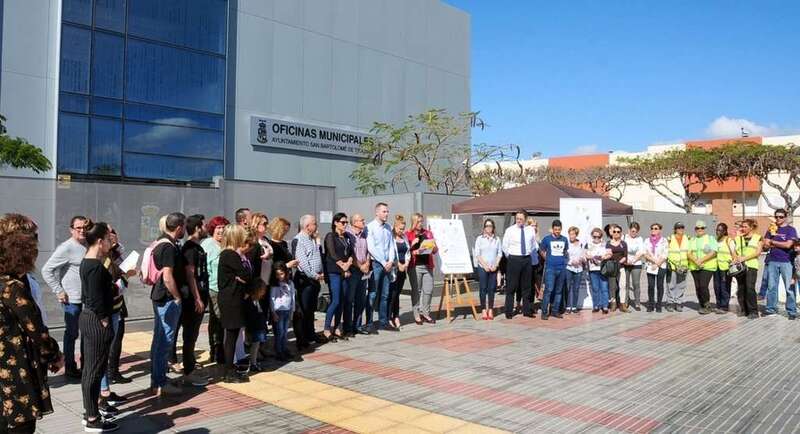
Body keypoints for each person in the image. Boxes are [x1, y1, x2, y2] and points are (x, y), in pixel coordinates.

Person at [0, 214, 63, 434]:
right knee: (19, 427)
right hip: (14, 374)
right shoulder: (12, 287)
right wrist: (55, 355)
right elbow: (37, 332)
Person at [78, 221, 120, 432]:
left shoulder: (87, 262)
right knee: (93, 372)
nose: (111, 243)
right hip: (95, 320)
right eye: (108, 239)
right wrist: (104, 320)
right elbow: (95, 298)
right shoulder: (94, 266)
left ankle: (91, 412)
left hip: (89, 317)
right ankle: (92, 418)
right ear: (100, 241)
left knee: (91, 371)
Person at [42, 215, 88, 380]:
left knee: (86, 334)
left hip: (87, 299)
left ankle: (86, 366)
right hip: (72, 300)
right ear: (71, 230)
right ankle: (70, 367)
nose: (82, 231)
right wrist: (58, 290)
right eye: (78, 228)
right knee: (72, 334)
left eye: (84, 227)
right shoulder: (67, 247)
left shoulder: (88, 244)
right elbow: (46, 270)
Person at [149, 212, 187, 396]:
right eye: (184, 226)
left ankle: (157, 379)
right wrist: (177, 296)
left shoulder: (160, 242)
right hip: (167, 298)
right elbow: (167, 276)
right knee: (164, 342)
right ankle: (160, 383)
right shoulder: (169, 247)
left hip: (160, 297)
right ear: (179, 227)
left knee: (159, 340)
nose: (185, 229)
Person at [174, 215, 210, 386]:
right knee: (190, 335)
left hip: (198, 296)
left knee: (192, 335)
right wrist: (197, 298)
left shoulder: (197, 247)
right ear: (197, 228)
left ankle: (190, 366)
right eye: (204, 225)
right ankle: (188, 372)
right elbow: (190, 274)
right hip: (191, 299)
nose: (206, 228)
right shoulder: (190, 249)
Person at [218, 224, 253, 383]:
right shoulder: (230, 254)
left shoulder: (229, 254)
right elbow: (246, 275)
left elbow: (243, 276)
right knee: (231, 336)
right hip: (231, 299)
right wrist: (240, 277)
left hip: (232, 298)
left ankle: (230, 369)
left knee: (233, 334)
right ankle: (228, 371)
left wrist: (240, 278)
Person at [293, 215, 326, 348]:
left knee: (311, 310)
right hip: (305, 280)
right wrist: (314, 275)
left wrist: (320, 273)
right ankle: (302, 338)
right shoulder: (299, 240)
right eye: (314, 223)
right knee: (304, 310)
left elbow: (317, 255)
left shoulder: (311, 239)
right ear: (307, 226)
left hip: (315, 279)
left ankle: (311, 333)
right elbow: (303, 262)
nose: (316, 226)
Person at [201, 216, 230, 364]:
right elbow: (203, 267)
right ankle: (216, 349)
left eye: (224, 227)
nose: (221, 230)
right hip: (213, 288)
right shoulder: (207, 244)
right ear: (213, 229)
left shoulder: (228, 243)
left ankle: (221, 348)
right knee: (218, 318)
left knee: (222, 318)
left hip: (227, 288)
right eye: (218, 227)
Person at [105, 228, 133, 385]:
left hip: (118, 302)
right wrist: (126, 276)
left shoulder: (114, 252)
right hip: (110, 304)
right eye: (108, 234)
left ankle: (113, 371)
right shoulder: (103, 258)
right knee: (112, 340)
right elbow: (114, 281)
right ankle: (109, 374)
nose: (112, 236)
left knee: (118, 337)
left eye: (113, 232)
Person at [323, 213, 355, 341]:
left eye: (346, 222)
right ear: (335, 223)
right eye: (343, 222)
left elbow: (351, 252)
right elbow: (332, 254)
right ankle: (326, 328)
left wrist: (349, 263)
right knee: (335, 300)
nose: (345, 224)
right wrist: (343, 266)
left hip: (345, 272)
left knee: (342, 301)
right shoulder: (330, 236)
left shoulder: (346, 237)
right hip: (334, 271)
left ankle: (337, 327)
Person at [367, 203, 398, 331]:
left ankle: (383, 322)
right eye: (384, 211)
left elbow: (391, 245)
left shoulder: (388, 227)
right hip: (376, 264)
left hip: (387, 265)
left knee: (385, 294)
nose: (387, 214)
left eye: (387, 211)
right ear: (377, 212)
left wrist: (390, 261)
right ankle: (369, 323)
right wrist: (383, 262)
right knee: (373, 294)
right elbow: (371, 247)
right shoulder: (370, 227)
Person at [502, 210, 538, 319]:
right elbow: (505, 246)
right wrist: (511, 257)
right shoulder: (510, 230)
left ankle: (527, 310)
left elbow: (533, 245)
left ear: (525, 219)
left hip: (526, 259)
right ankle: (508, 311)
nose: (518, 221)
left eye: (521, 219)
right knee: (511, 287)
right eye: (517, 218)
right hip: (514, 259)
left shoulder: (530, 230)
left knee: (527, 286)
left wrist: (528, 253)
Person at [763, 209, 797, 318]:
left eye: (781, 217)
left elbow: (788, 245)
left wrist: (773, 242)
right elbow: (765, 244)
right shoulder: (771, 229)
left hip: (786, 261)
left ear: (785, 217)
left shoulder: (790, 230)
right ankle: (771, 309)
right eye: (776, 216)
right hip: (772, 261)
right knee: (771, 286)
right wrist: (771, 243)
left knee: (789, 287)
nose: (778, 219)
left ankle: (792, 311)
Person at [406, 212, 438, 324]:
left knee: (428, 290)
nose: (420, 223)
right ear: (413, 222)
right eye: (418, 221)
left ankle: (426, 314)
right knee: (416, 291)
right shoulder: (408, 234)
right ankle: (416, 315)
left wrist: (433, 246)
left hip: (428, 265)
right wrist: (413, 249)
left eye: (421, 221)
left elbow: (435, 251)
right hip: (415, 266)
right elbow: (404, 252)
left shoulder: (428, 233)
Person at [733, 219, 764, 319]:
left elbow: (758, 252)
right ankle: (744, 309)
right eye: (742, 226)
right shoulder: (738, 238)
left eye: (745, 226)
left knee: (750, 288)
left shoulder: (758, 238)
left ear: (751, 227)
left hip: (751, 266)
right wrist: (736, 258)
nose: (743, 228)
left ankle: (753, 311)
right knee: (741, 288)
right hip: (740, 267)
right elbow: (734, 251)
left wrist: (744, 258)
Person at [346, 214, 371, 335]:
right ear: (355, 222)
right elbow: (351, 254)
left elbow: (368, 251)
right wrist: (360, 266)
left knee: (361, 299)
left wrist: (367, 263)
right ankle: (348, 327)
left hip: (364, 270)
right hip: (354, 270)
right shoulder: (348, 235)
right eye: (362, 220)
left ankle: (358, 325)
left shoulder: (364, 234)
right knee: (350, 300)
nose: (364, 222)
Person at [539, 220, 569, 320]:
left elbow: (565, 251)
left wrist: (564, 261)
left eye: (559, 229)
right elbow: (541, 250)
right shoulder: (546, 239)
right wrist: (547, 258)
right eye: (555, 229)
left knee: (559, 291)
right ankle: (544, 312)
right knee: (549, 290)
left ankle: (555, 311)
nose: (557, 231)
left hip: (561, 268)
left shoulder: (564, 239)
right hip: (550, 269)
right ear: (552, 229)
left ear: (561, 229)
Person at [473, 218, 502, 320]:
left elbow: (499, 253)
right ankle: (483, 309)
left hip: (493, 267)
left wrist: (496, 265)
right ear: (484, 228)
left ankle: (490, 309)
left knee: (492, 289)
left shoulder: (497, 239)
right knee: (483, 288)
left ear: (493, 228)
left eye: (490, 226)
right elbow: (477, 254)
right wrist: (485, 265)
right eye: (487, 226)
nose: (488, 228)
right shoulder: (479, 239)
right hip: (482, 267)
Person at [688, 220, 718, 315]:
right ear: (695, 229)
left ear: (705, 229)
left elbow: (714, 252)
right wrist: (696, 261)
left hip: (707, 266)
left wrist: (701, 260)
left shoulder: (710, 238)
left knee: (703, 286)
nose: (699, 229)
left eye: (702, 228)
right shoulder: (692, 240)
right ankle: (701, 305)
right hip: (695, 266)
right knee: (698, 287)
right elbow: (689, 253)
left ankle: (707, 305)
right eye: (697, 228)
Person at [270, 261, 297, 362]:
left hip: (287, 310)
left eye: (281, 274)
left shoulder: (290, 283)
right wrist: (273, 312)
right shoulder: (275, 285)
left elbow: (292, 297)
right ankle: (279, 351)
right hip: (278, 311)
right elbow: (272, 299)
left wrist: (292, 311)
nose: (279, 276)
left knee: (285, 332)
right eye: (277, 274)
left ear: (286, 272)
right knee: (279, 332)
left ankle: (284, 349)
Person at [389, 215, 411, 328]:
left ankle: (396, 316)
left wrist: (406, 264)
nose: (402, 231)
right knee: (392, 294)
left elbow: (408, 252)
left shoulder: (404, 237)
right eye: (400, 229)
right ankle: (388, 316)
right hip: (394, 268)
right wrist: (398, 265)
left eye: (403, 229)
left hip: (403, 269)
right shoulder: (391, 237)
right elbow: (390, 253)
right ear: (395, 226)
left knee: (397, 293)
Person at [243, 278, 269, 372]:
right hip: (254, 327)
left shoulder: (258, 300)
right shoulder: (249, 300)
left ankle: (254, 361)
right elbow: (251, 315)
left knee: (256, 345)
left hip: (258, 326)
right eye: (262, 290)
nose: (264, 292)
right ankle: (253, 364)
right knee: (254, 346)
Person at [643, 223, 668, 312]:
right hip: (650, 266)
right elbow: (645, 253)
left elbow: (665, 254)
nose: (653, 230)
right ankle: (651, 304)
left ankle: (659, 304)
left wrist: (657, 264)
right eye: (652, 228)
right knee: (651, 286)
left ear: (660, 230)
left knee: (660, 285)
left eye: (656, 228)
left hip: (661, 266)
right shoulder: (647, 240)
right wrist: (653, 261)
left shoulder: (664, 240)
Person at [665, 222, 690, 312]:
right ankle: (670, 303)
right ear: (675, 229)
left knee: (681, 285)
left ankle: (679, 303)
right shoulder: (669, 239)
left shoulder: (687, 238)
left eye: (682, 227)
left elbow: (690, 252)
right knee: (671, 285)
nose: (680, 229)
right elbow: (666, 251)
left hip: (683, 266)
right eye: (678, 228)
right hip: (672, 266)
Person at [713, 223, 735, 314]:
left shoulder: (729, 241)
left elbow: (734, 254)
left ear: (725, 231)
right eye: (717, 230)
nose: (718, 232)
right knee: (717, 287)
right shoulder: (716, 240)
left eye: (720, 230)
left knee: (724, 287)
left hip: (726, 268)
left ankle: (724, 306)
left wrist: (732, 263)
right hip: (716, 267)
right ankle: (718, 305)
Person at [586, 228, 609, 313]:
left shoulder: (605, 244)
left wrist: (604, 257)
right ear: (592, 236)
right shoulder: (588, 244)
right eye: (594, 236)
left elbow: (609, 254)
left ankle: (605, 306)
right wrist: (592, 257)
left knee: (604, 288)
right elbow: (585, 254)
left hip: (603, 269)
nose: (596, 238)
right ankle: (596, 305)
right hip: (593, 269)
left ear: (601, 236)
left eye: (598, 237)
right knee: (595, 288)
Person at [623, 222, 645, 311]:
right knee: (626, 284)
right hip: (626, 263)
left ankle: (637, 303)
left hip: (636, 264)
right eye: (632, 231)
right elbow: (622, 250)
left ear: (638, 231)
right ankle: (625, 302)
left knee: (636, 284)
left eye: (635, 231)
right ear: (629, 230)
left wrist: (633, 260)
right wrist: (626, 261)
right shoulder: (624, 238)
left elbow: (641, 252)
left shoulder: (640, 239)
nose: (633, 233)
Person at [565, 226, 585, 313]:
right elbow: (564, 256)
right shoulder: (566, 244)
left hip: (578, 268)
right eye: (570, 234)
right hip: (569, 267)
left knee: (576, 288)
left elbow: (584, 255)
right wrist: (571, 262)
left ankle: (574, 306)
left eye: (573, 234)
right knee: (568, 287)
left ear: (576, 235)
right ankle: (568, 306)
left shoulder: (581, 244)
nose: (571, 236)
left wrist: (581, 260)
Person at [527, 217, 543, 312]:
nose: (534, 227)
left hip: (538, 265)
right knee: (530, 286)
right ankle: (530, 306)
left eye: (535, 225)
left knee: (540, 285)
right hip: (529, 264)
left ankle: (541, 304)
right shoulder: (526, 237)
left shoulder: (538, 237)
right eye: (532, 225)